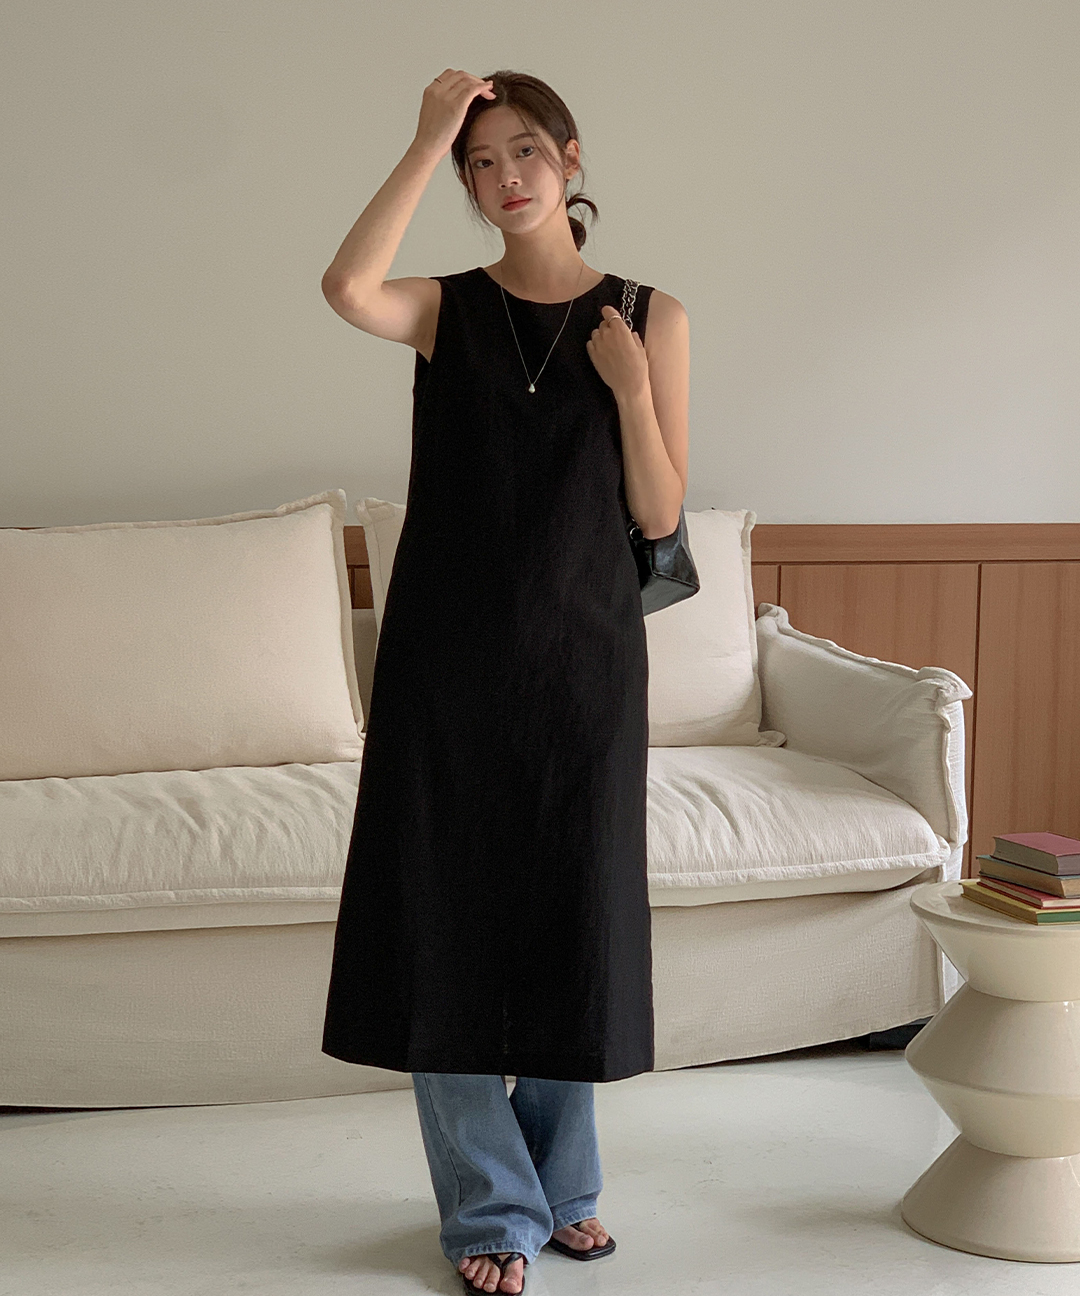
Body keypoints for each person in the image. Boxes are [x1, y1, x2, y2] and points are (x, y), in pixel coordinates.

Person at [318, 68, 689, 1295]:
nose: (504, 176)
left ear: (571, 159)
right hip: (446, 667)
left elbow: (659, 513)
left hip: (586, 666)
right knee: (446, 926)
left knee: (575, 921)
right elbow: (347, 289)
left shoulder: (650, 315)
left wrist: (631, 388)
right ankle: (491, 1207)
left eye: (524, 150)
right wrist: (426, 137)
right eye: (481, 162)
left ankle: (562, 1189)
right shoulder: (448, 309)